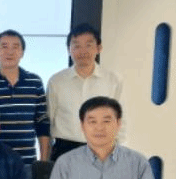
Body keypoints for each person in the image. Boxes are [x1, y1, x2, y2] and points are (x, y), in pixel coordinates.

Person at [0, 29, 50, 167]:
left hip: (26, 164)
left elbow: (42, 123)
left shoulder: (35, 82)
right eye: (4, 46)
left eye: (15, 47)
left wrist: (43, 163)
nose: (10, 52)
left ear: (22, 53)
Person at [47, 23, 124, 162]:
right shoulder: (56, 81)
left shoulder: (113, 80)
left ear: (99, 48)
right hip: (65, 149)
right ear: (69, 50)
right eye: (76, 46)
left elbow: (121, 120)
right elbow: (49, 118)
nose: (83, 51)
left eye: (88, 45)